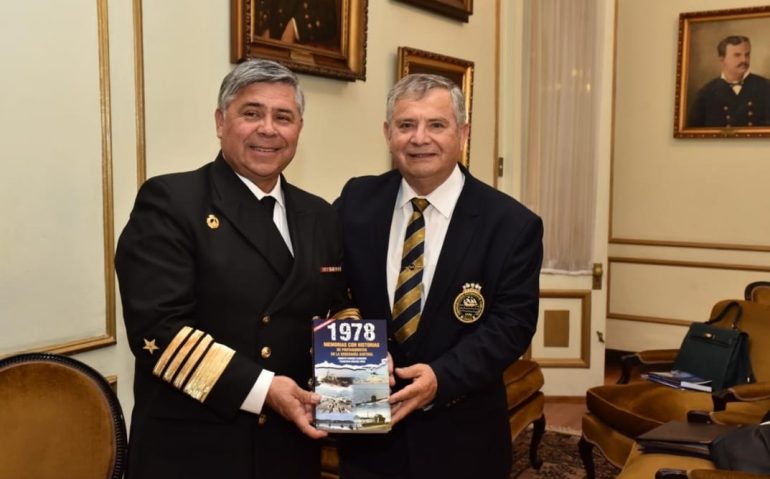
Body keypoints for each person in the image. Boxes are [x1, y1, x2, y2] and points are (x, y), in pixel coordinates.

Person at [115, 59, 359, 479]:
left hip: (290, 447)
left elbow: (335, 307)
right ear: (220, 121)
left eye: (283, 117)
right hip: (197, 450)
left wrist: (356, 383)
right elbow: (159, 331)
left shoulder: (319, 214)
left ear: (299, 128)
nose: (268, 128)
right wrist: (265, 390)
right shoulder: (171, 202)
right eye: (251, 113)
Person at [334, 74, 543, 479]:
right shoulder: (355, 201)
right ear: (387, 132)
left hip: (462, 436)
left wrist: (440, 379)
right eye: (406, 125)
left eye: (436, 124)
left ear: (463, 133)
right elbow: (326, 284)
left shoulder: (512, 224)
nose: (419, 138)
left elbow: (512, 325)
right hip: (365, 431)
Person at [688, 35, 770, 127]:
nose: (744, 60)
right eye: (737, 55)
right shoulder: (705, 94)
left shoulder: (766, 87)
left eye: (747, 54)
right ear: (722, 59)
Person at [256, 0, 338, 45]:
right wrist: (265, 29)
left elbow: (328, 20)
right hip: (268, 53)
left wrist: (295, 26)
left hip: (302, 53)